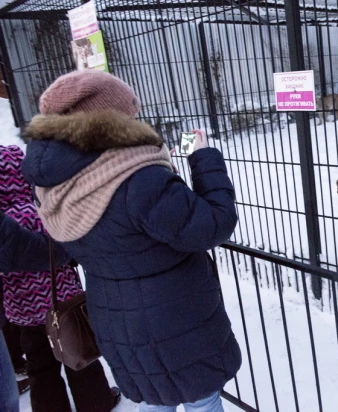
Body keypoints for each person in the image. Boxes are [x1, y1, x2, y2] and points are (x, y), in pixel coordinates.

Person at [22, 70, 242, 411]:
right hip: (176, 318)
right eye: (129, 114)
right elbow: (212, 225)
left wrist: (164, 179)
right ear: (109, 121)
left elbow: (124, 228)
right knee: (202, 399)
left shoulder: (55, 184)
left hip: (117, 321)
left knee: (155, 398)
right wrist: (204, 158)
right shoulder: (139, 178)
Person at [0, 145, 121, 412]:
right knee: (80, 356)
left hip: (23, 310)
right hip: (62, 304)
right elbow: (69, 247)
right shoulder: (43, 210)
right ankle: (97, 403)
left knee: (40, 366)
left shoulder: (4, 222)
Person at [0, 210, 74, 412]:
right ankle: (95, 401)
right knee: (77, 351)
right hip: (58, 292)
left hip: (22, 299)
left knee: (40, 362)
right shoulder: (35, 200)